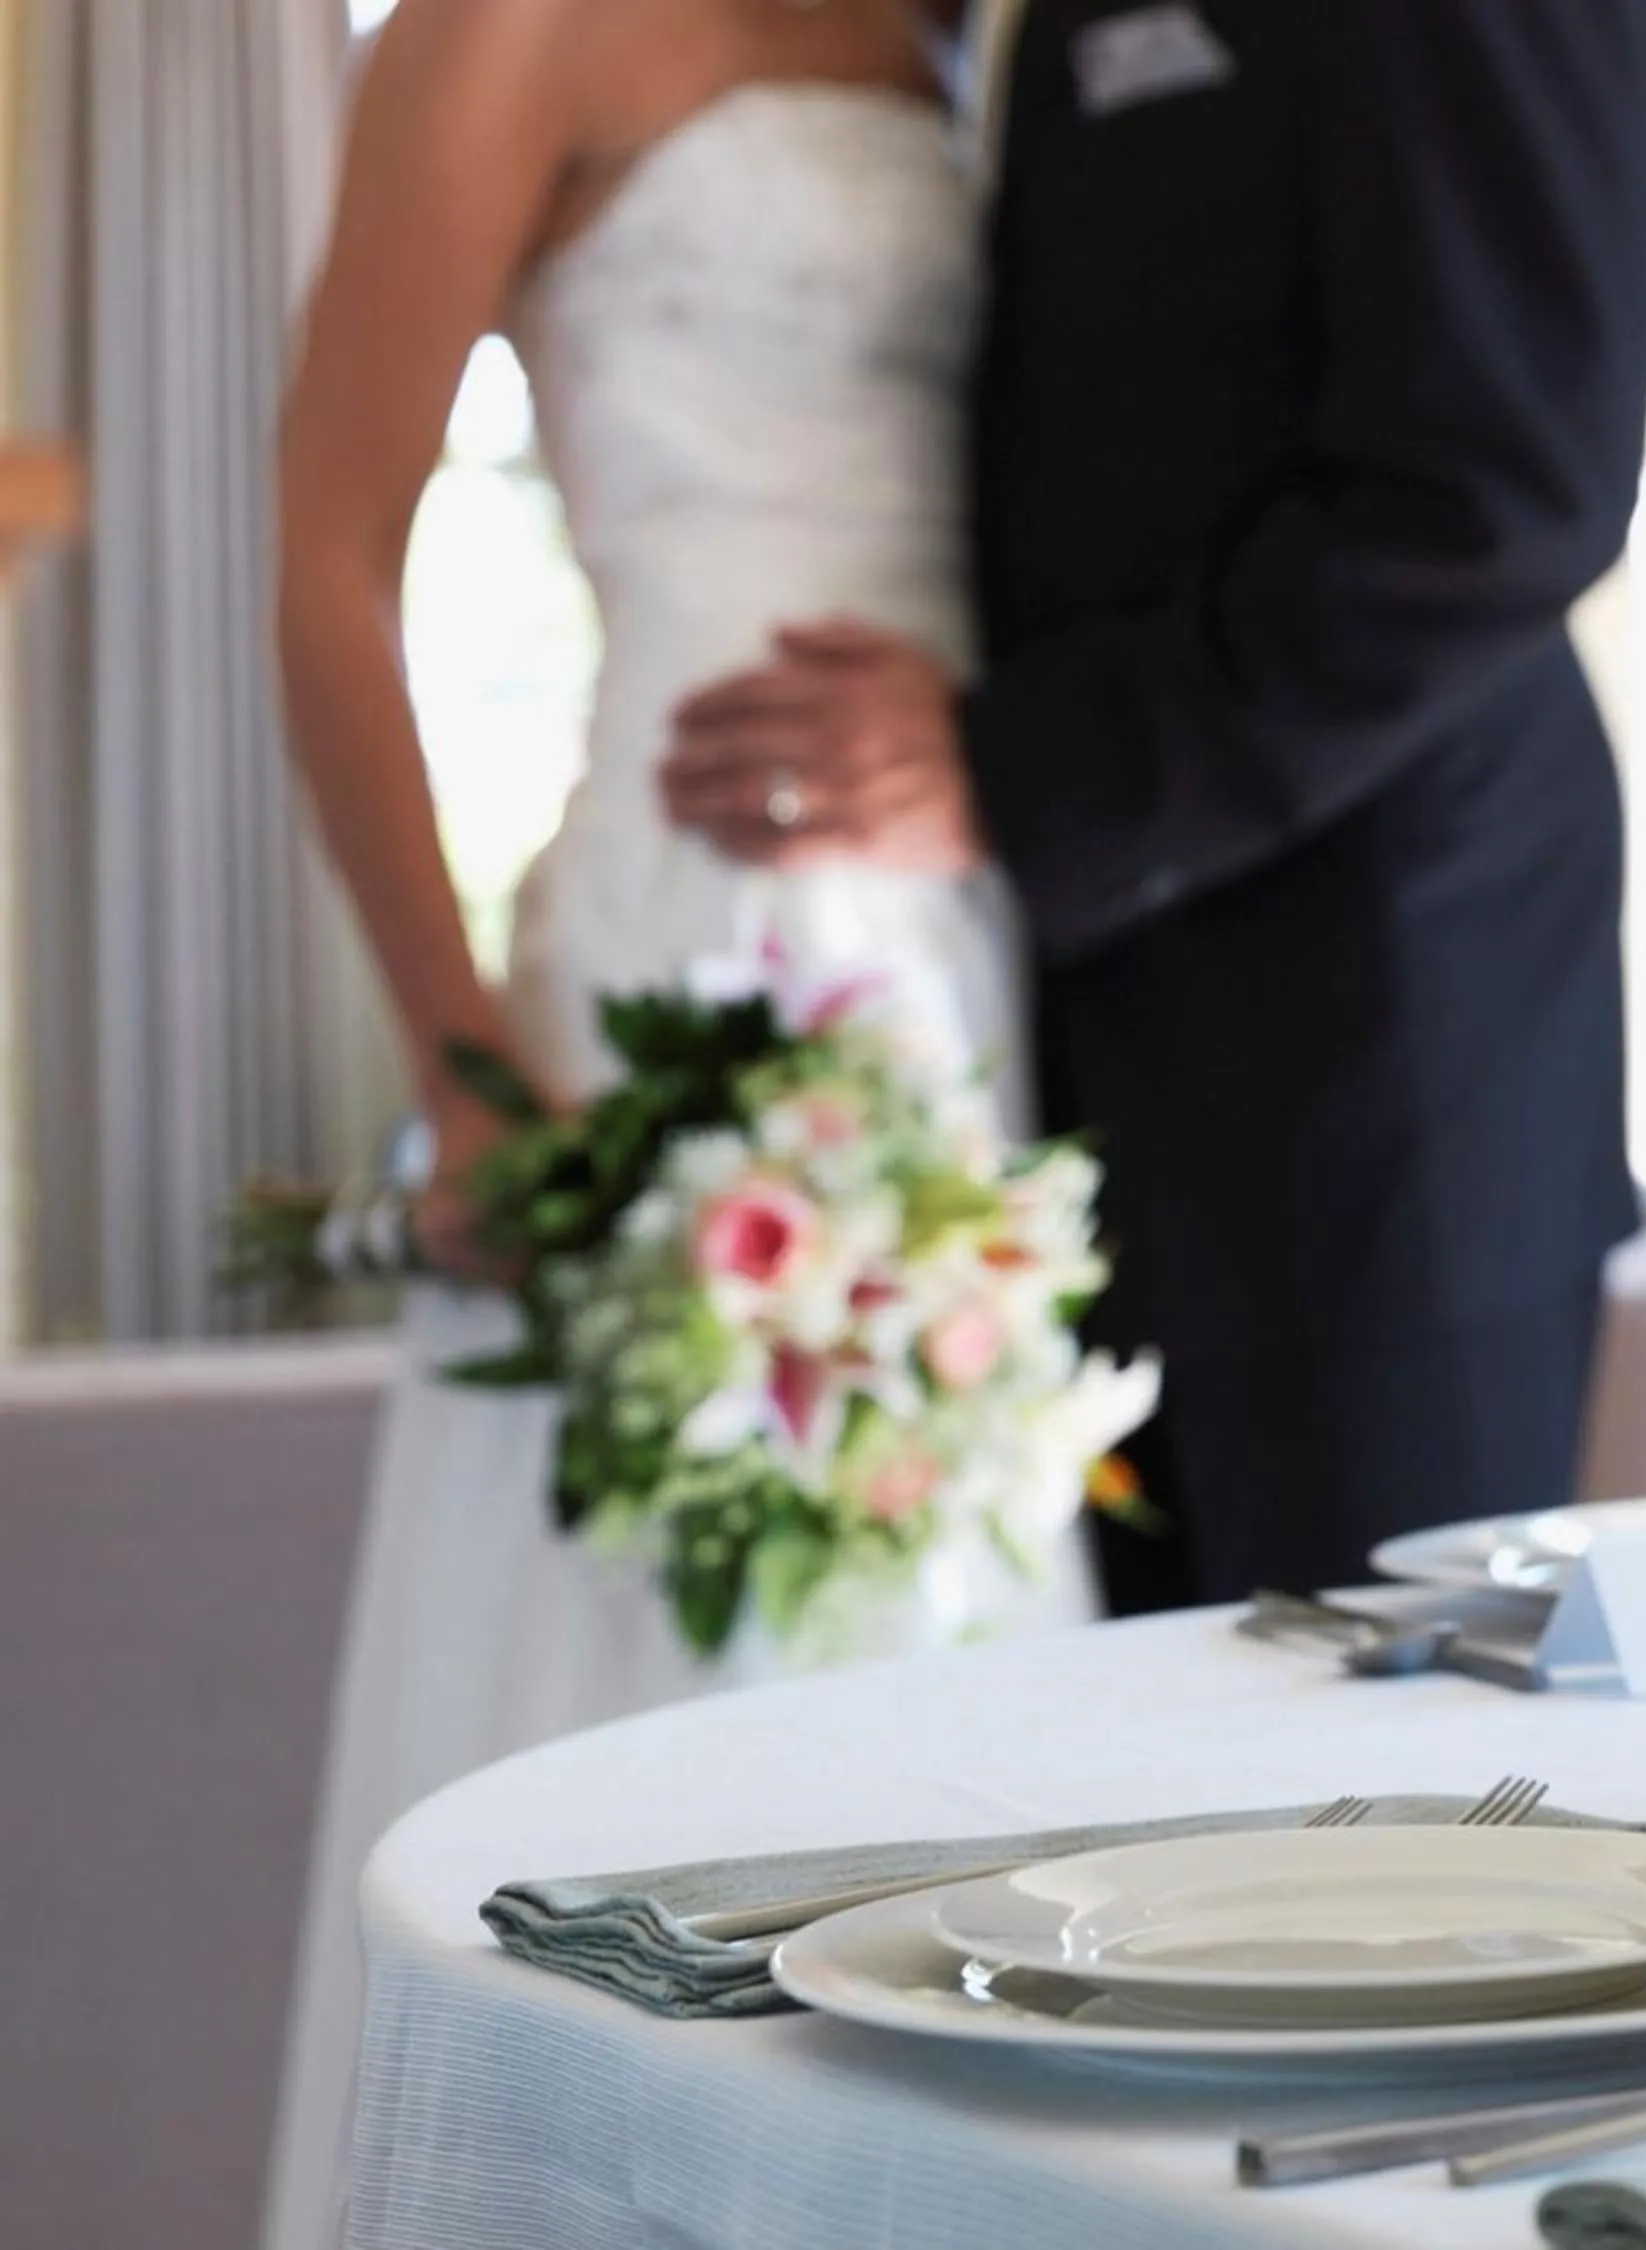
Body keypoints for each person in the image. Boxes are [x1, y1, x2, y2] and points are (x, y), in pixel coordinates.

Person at [260, 6, 1087, 2244]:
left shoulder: (940, 39)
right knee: (650, 1675)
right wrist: (457, 1061)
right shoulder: (493, 32)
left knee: (963, 1681)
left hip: (959, 965)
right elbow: (325, 559)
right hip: (674, 948)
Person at [662, 0, 1646, 1611]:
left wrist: (1014, 772)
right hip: (1067, 1084)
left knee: (1373, 1830)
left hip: (1371, 1098)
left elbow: (1508, 484)